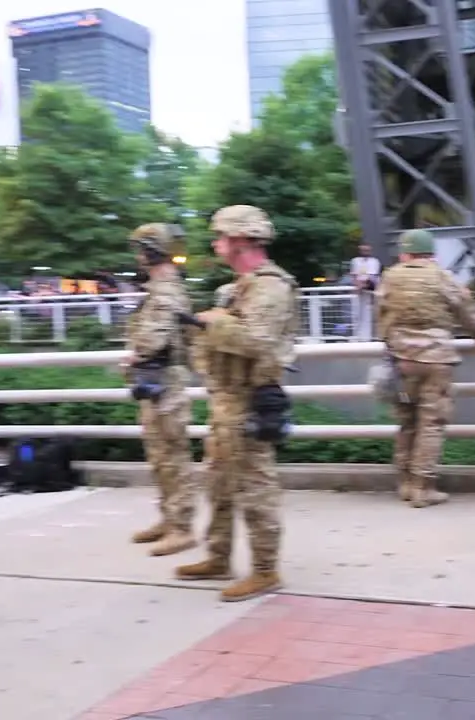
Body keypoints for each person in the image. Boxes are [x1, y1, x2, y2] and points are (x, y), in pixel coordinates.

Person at [175, 205, 298, 602]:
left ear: (242, 239)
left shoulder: (272, 286)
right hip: (225, 400)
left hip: (250, 401)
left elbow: (257, 341)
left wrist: (212, 322)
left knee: (255, 487)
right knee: (218, 484)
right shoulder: (237, 287)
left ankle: (265, 570)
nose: (216, 244)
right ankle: (218, 556)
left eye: (221, 236)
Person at [377, 229, 475, 508]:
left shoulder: (391, 276)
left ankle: (404, 483)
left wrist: (390, 343)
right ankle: (423, 487)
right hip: (436, 359)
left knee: (407, 422)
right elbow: (465, 310)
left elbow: (381, 313)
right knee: (431, 424)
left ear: (405, 253)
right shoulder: (441, 276)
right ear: (431, 253)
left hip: (402, 360)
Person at [123, 223, 197, 557]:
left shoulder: (166, 290)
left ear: (152, 251)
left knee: (173, 457)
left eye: (141, 249)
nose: (138, 256)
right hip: (155, 381)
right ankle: (169, 518)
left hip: (166, 380)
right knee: (159, 456)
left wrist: (136, 352)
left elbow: (156, 337)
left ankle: (182, 527)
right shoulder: (158, 288)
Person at [349, 244, 381, 340]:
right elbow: (354, 275)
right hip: (358, 289)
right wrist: (357, 285)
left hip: (370, 289)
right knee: (357, 313)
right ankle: (358, 335)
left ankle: (369, 336)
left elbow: (373, 276)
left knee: (369, 312)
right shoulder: (355, 261)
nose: (365, 252)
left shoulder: (374, 261)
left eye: (367, 250)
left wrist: (363, 285)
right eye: (363, 250)